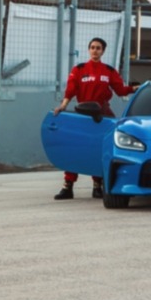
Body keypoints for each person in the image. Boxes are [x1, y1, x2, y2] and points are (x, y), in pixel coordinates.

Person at [52, 37, 134, 200]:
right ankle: (68, 186)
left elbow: (120, 90)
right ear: (89, 50)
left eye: (98, 48)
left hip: (102, 116)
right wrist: (63, 105)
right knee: (75, 149)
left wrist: (136, 88)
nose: (95, 50)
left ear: (103, 51)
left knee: (100, 150)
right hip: (82, 115)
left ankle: (98, 186)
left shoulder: (109, 71)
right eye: (92, 47)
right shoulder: (79, 69)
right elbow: (71, 89)